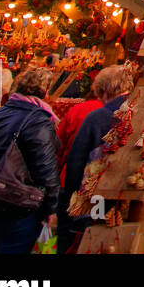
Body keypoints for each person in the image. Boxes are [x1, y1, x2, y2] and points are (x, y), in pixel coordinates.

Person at [0, 67, 61, 254]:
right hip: (16, 206)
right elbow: (45, 168)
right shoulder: (39, 120)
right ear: (46, 91)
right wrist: (51, 208)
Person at [59, 65, 133, 252]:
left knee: (92, 242)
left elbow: (76, 163)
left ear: (104, 90)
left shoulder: (98, 117)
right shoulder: (140, 112)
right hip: (130, 198)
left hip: (96, 200)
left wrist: (71, 201)